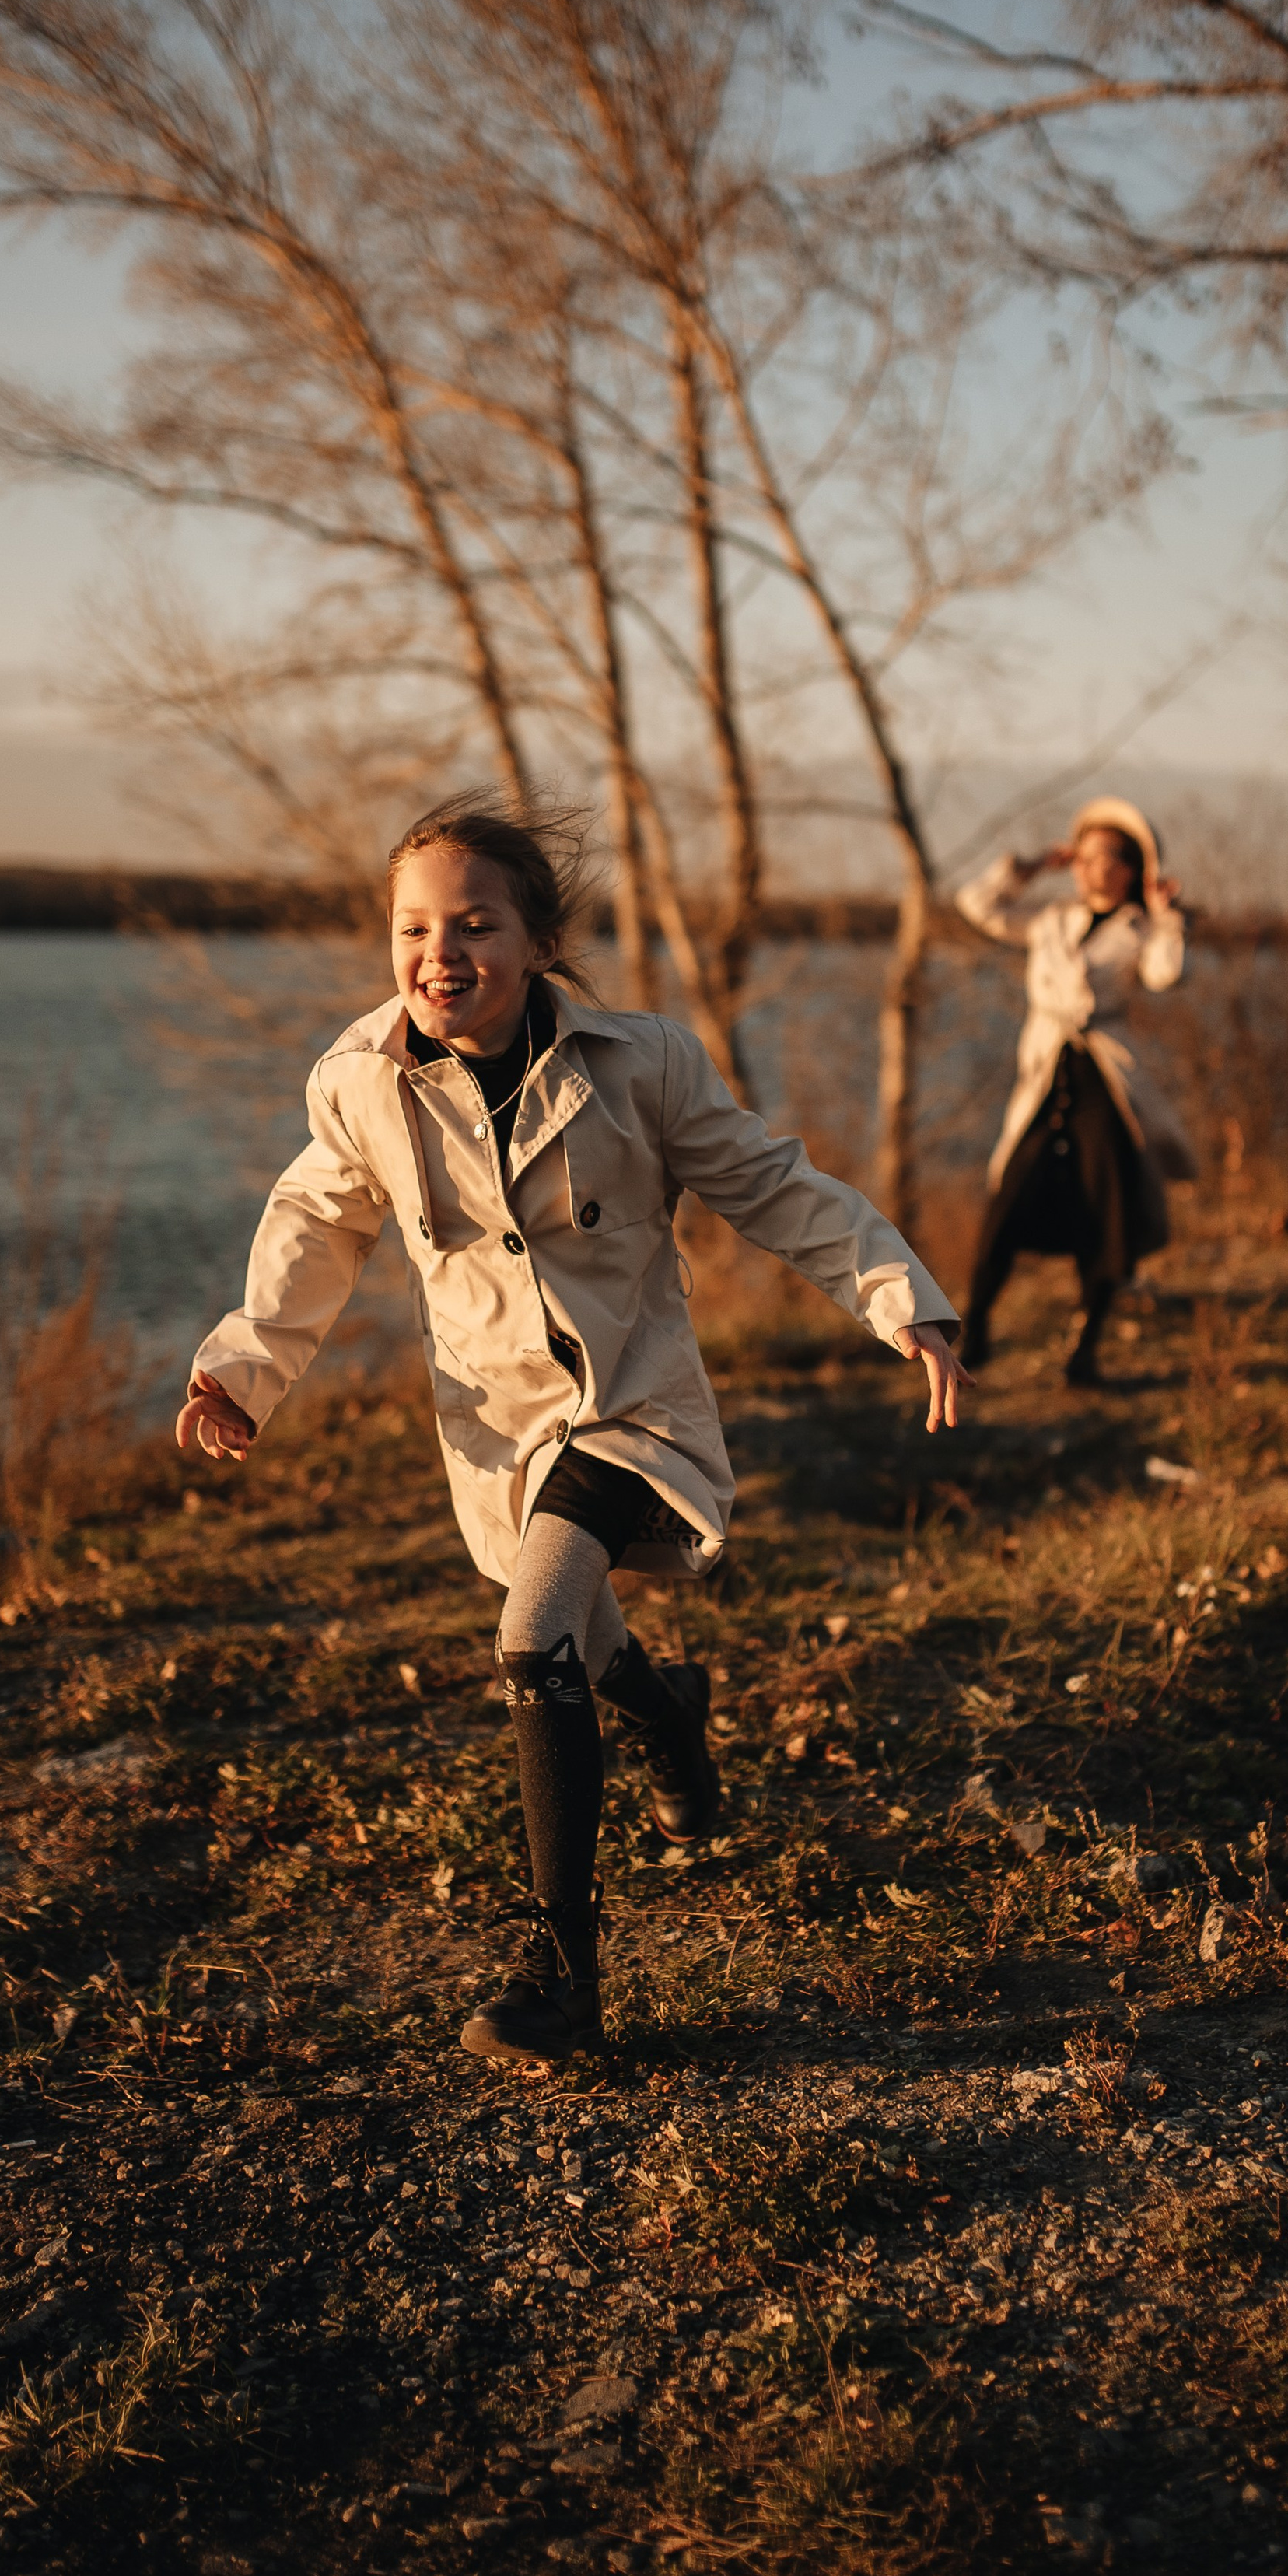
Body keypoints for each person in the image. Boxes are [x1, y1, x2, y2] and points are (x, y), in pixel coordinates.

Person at [176, 792, 967, 2069]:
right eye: (415, 929)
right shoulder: (361, 1084)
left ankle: (562, 1970)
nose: (442, 954)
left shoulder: (641, 1061)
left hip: (632, 1410)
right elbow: (314, 1233)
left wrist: (900, 1300)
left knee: (531, 1640)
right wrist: (242, 1370)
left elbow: (769, 1183)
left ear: (536, 938)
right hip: (497, 1434)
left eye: (475, 925)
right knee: (588, 1648)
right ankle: (668, 1714)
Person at [955, 796, 1192, 1386]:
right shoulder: (1050, 917)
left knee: (1106, 1209)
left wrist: (1168, 918)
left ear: (1132, 867)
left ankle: (1086, 1349)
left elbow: (1167, 974)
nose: (1088, 867)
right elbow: (976, 904)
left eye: (1104, 857)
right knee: (1008, 1193)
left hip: (1103, 1082)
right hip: (1045, 1070)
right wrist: (1029, 867)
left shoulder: (1140, 929)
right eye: (1081, 857)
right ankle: (975, 1329)